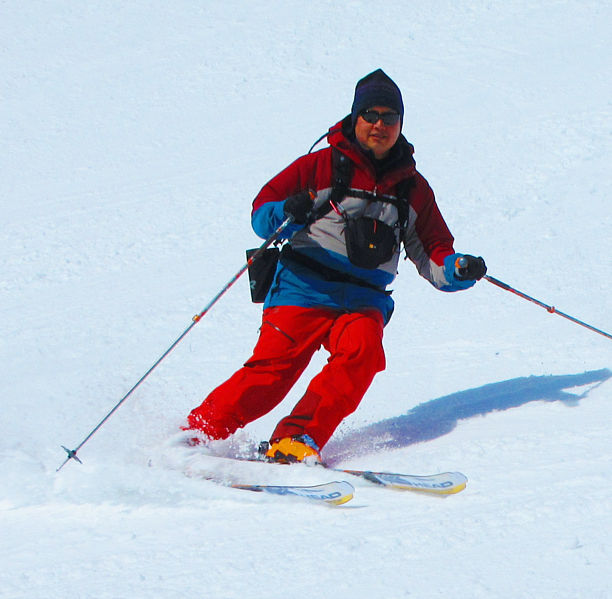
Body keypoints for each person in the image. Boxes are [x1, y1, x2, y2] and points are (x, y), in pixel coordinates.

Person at [184, 69, 486, 464]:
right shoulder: (320, 166)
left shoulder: (412, 188)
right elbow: (262, 214)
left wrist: (457, 268)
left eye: (390, 117)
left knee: (362, 353)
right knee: (273, 373)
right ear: (355, 117)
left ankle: (296, 440)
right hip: (302, 286)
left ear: (401, 123)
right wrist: (285, 210)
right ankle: (197, 436)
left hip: (363, 300)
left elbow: (433, 251)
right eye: (371, 115)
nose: (380, 125)